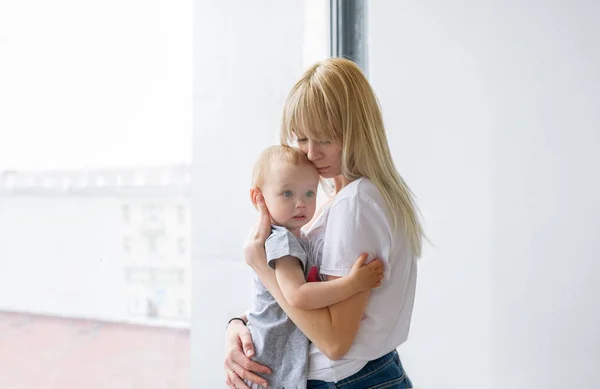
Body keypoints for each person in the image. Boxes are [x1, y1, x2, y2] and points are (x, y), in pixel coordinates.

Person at [224, 57, 424, 389]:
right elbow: (309, 300)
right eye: (301, 138)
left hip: (349, 379)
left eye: (324, 139)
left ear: (355, 129)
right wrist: (238, 325)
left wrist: (262, 267)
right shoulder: (340, 198)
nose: (311, 152)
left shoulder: (355, 203)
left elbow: (334, 342)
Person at [241, 145, 384, 389]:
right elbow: (297, 295)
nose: (301, 203)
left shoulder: (298, 237)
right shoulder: (281, 241)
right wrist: (353, 284)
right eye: (287, 194)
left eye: (309, 193)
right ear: (259, 198)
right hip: (270, 363)